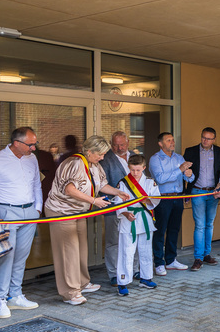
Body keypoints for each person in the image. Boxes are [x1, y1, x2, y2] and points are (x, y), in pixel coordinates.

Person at [44, 135, 130, 305]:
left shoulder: (95, 165)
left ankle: (82, 283)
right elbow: (69, 189)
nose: (103, 157)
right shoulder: (74, 163)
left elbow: (102, 185)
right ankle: (70, 292)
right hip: (62, 211)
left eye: (104, 154)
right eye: (100, 154)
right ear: (89, 151)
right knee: (67, 251)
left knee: (81, 248)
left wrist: (117, 192)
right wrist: (94, 201)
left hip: (78, 212)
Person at [0, 126, 43, 319]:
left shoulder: (32, 158)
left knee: (22, 256)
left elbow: (36, 184)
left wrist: (38, 208)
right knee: (7, 256)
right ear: (16, 143)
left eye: (35, 144)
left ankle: (15, 295)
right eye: (30, 144)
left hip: (29, 211)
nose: (33, 148)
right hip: (5, 211)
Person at [149, 132, 194, 275]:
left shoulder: (179, 157)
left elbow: (190, 178)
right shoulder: (155, 159)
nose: (172, 142)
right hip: (163, 198)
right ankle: (159, 262)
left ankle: (171, 260)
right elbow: (161, 179)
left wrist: (189, 174)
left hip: (178, 197)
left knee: (174, 229)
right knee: (160, 230)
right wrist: (180, 169)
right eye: (168, 140)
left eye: (173, 140)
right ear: (160, 144)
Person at [183, 127, 220, 270]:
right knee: (200, 225)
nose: (205, 141)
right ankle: (198, 258)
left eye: (209, 138)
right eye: (203, 137)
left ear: (214, 139)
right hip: (198, 192)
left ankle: (207, 254)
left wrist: (219, 189)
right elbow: (184, 173)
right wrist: (187, 176)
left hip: (213, 193)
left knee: (209, 224)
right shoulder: (190, 151)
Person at [114, 154, 159, 294]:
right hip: (129, 219)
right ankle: (123, 281)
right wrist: (125, 213)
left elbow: (156, 199)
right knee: (127, 251)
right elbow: (117, 201)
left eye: (138, 170)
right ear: (128, 168)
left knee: (145, 250)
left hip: (145, 218)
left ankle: (146, 278)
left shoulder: (150, 182)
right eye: (132, 170)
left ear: (144, 168)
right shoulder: (123, 183)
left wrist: (146, 201)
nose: (135, 173)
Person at [99, 131, 131, 285]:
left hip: (136, 207)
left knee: (134, 238)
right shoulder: (105, 160)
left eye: (122, 144)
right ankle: (113, 273)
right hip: (114, 207)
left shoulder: (135, 157)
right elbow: (101, 185)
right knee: (113, 241)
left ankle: (134, 270)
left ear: (128, 143)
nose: (119, 148)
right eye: (116, 145)